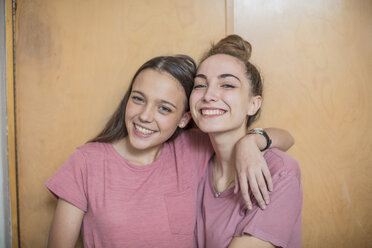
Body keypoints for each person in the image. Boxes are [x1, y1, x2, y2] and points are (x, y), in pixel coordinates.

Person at [46, 55, 293, 248]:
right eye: (138, 99)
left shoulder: (191, 149)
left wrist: (250, 142)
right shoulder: (86, 161)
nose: (144, 116)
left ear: (184, 119)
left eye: (164, 108)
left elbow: (286, 138)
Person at [192, 35, 302, 248]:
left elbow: (289, 139)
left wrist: (250, 141)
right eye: (200, 85)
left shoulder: (280, 171)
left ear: (253, 104)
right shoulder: (193, 160)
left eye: (227, 85)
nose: (209, 95)